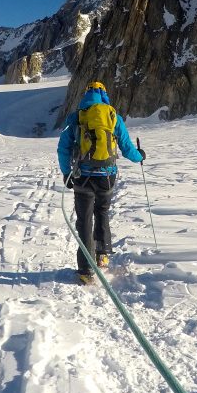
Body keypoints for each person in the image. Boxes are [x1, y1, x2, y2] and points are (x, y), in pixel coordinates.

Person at [57, 81, 144, 284]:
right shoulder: (113, 117)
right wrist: (140, 156)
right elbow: (126, 147)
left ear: (85, 95)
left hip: (82, 176)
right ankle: (102, 255)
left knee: (84, 220)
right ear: (104, 95)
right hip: (106, 176)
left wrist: (66, 173)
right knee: (102, 213)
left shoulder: (77, 117)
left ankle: (86, 270)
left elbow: (63, 148)